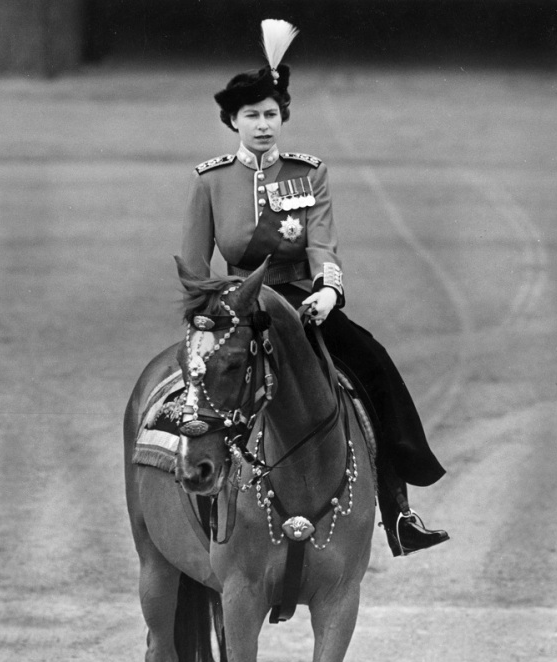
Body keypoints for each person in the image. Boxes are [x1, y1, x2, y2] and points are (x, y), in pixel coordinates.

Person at [180, 20, 449, 557]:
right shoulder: (210, 180)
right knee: (187, 395)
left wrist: (329, 290)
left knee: (371, 365)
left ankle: (397, 510)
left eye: (271, 115)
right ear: (232, 121)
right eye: (251, 116)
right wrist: (218, 307)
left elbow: (323, 244)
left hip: (301, 304)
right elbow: (193, 266)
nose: (262, 125)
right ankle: (181, 505)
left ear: (283, 119)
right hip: (233, 308)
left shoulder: (310, 173)